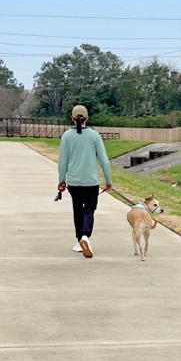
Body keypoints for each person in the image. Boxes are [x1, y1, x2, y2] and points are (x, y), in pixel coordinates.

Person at [57, 105, 113, 257]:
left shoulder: (67, 136)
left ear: (72, 118)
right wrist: (108, 180)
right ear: (87, 118)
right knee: (89, 210)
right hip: (91, 182)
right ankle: (85, 236)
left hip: (74, 182)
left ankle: (79, 240)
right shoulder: (95, 136)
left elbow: (62, 161)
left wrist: (62, 180)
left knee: (77, 211)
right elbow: (104, 161)